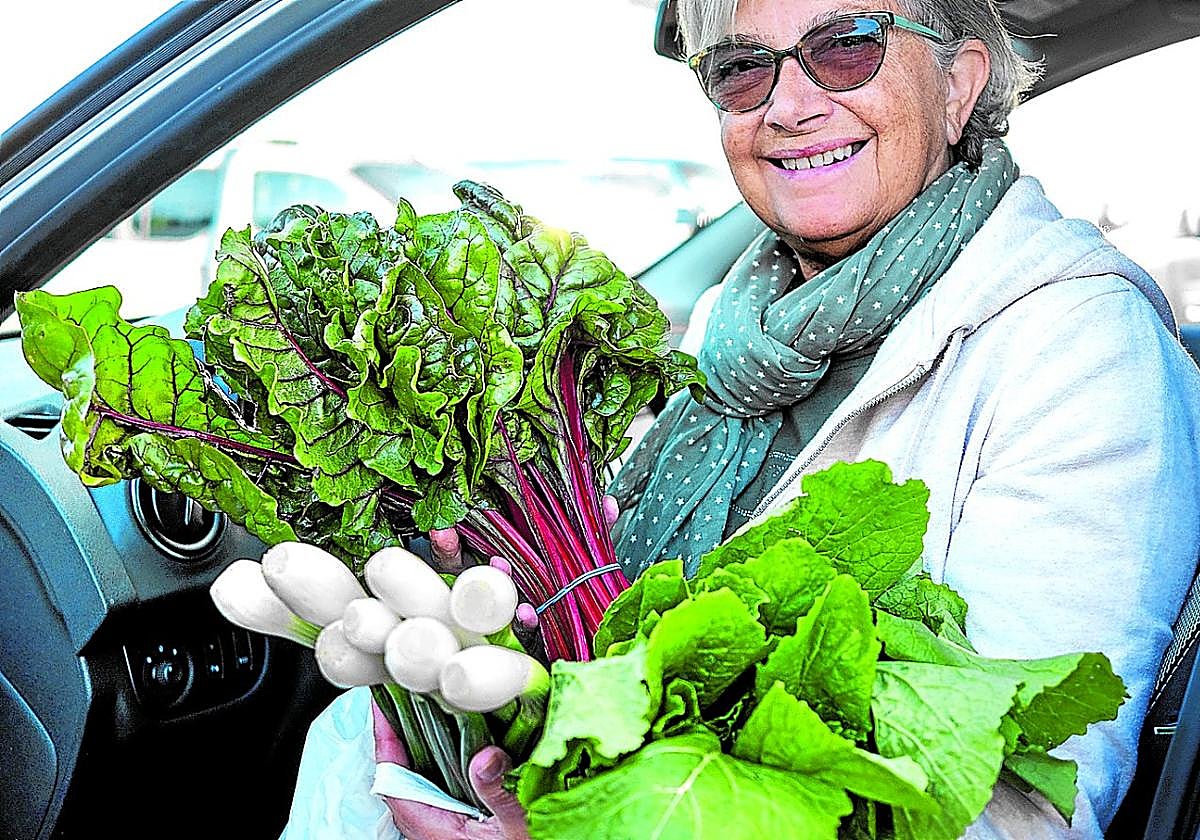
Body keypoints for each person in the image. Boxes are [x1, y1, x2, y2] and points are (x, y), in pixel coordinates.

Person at [288, 0, 1200, 837]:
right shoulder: (739, 319)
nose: (788, 105)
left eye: (847, 47)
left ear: (959, 85)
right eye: (740, 69)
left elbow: (1025, 812)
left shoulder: (1081, 350)